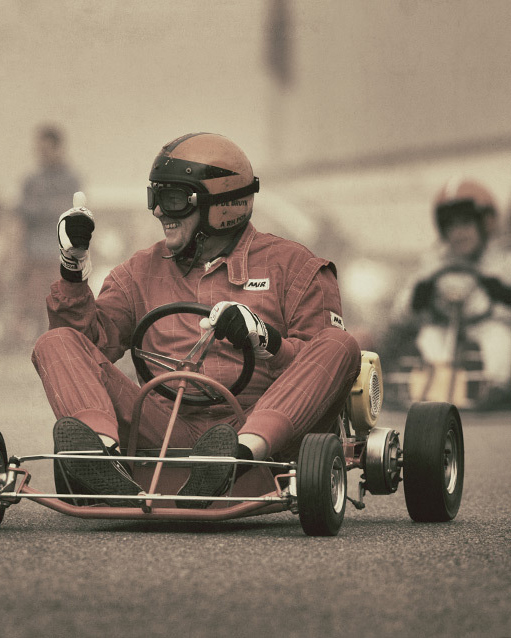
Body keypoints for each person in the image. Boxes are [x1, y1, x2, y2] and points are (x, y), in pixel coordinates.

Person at [31, 132, 361, 507]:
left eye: (172, 200)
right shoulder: (138, 272)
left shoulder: (296, 267)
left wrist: (267, 340)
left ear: (221, 206)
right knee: (54, 342)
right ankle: (100, 456)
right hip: (163, 426)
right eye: (156, 198)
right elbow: (90, 346)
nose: (158, 212)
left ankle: (234, 460)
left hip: (261, 425)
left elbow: (322, 370)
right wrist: (72, 270)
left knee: (343, 345)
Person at [383, 177, 511, 404]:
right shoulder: (434, 262)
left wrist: (501, 293)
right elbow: (401, 311)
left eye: (466, 224)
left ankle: (496, 388)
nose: (459, 233)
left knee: (500, 339)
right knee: (428, 337)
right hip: (442, 325)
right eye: (452, 226)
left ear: (485, 224)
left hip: (486, 323)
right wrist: (419, 297)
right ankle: (437, 391)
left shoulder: (500, 262)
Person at [17, 125, 81, 339]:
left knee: (60, 300)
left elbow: (71, 211)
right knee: (35, 301)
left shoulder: (71, 179)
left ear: (57, 148)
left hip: (60, 251)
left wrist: (41, 207)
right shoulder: (31, 180)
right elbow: (25, 211)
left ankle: (59, 339)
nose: (42, 154)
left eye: (47, 149)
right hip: (34, 250)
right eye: (39, 149)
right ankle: (38, 341)